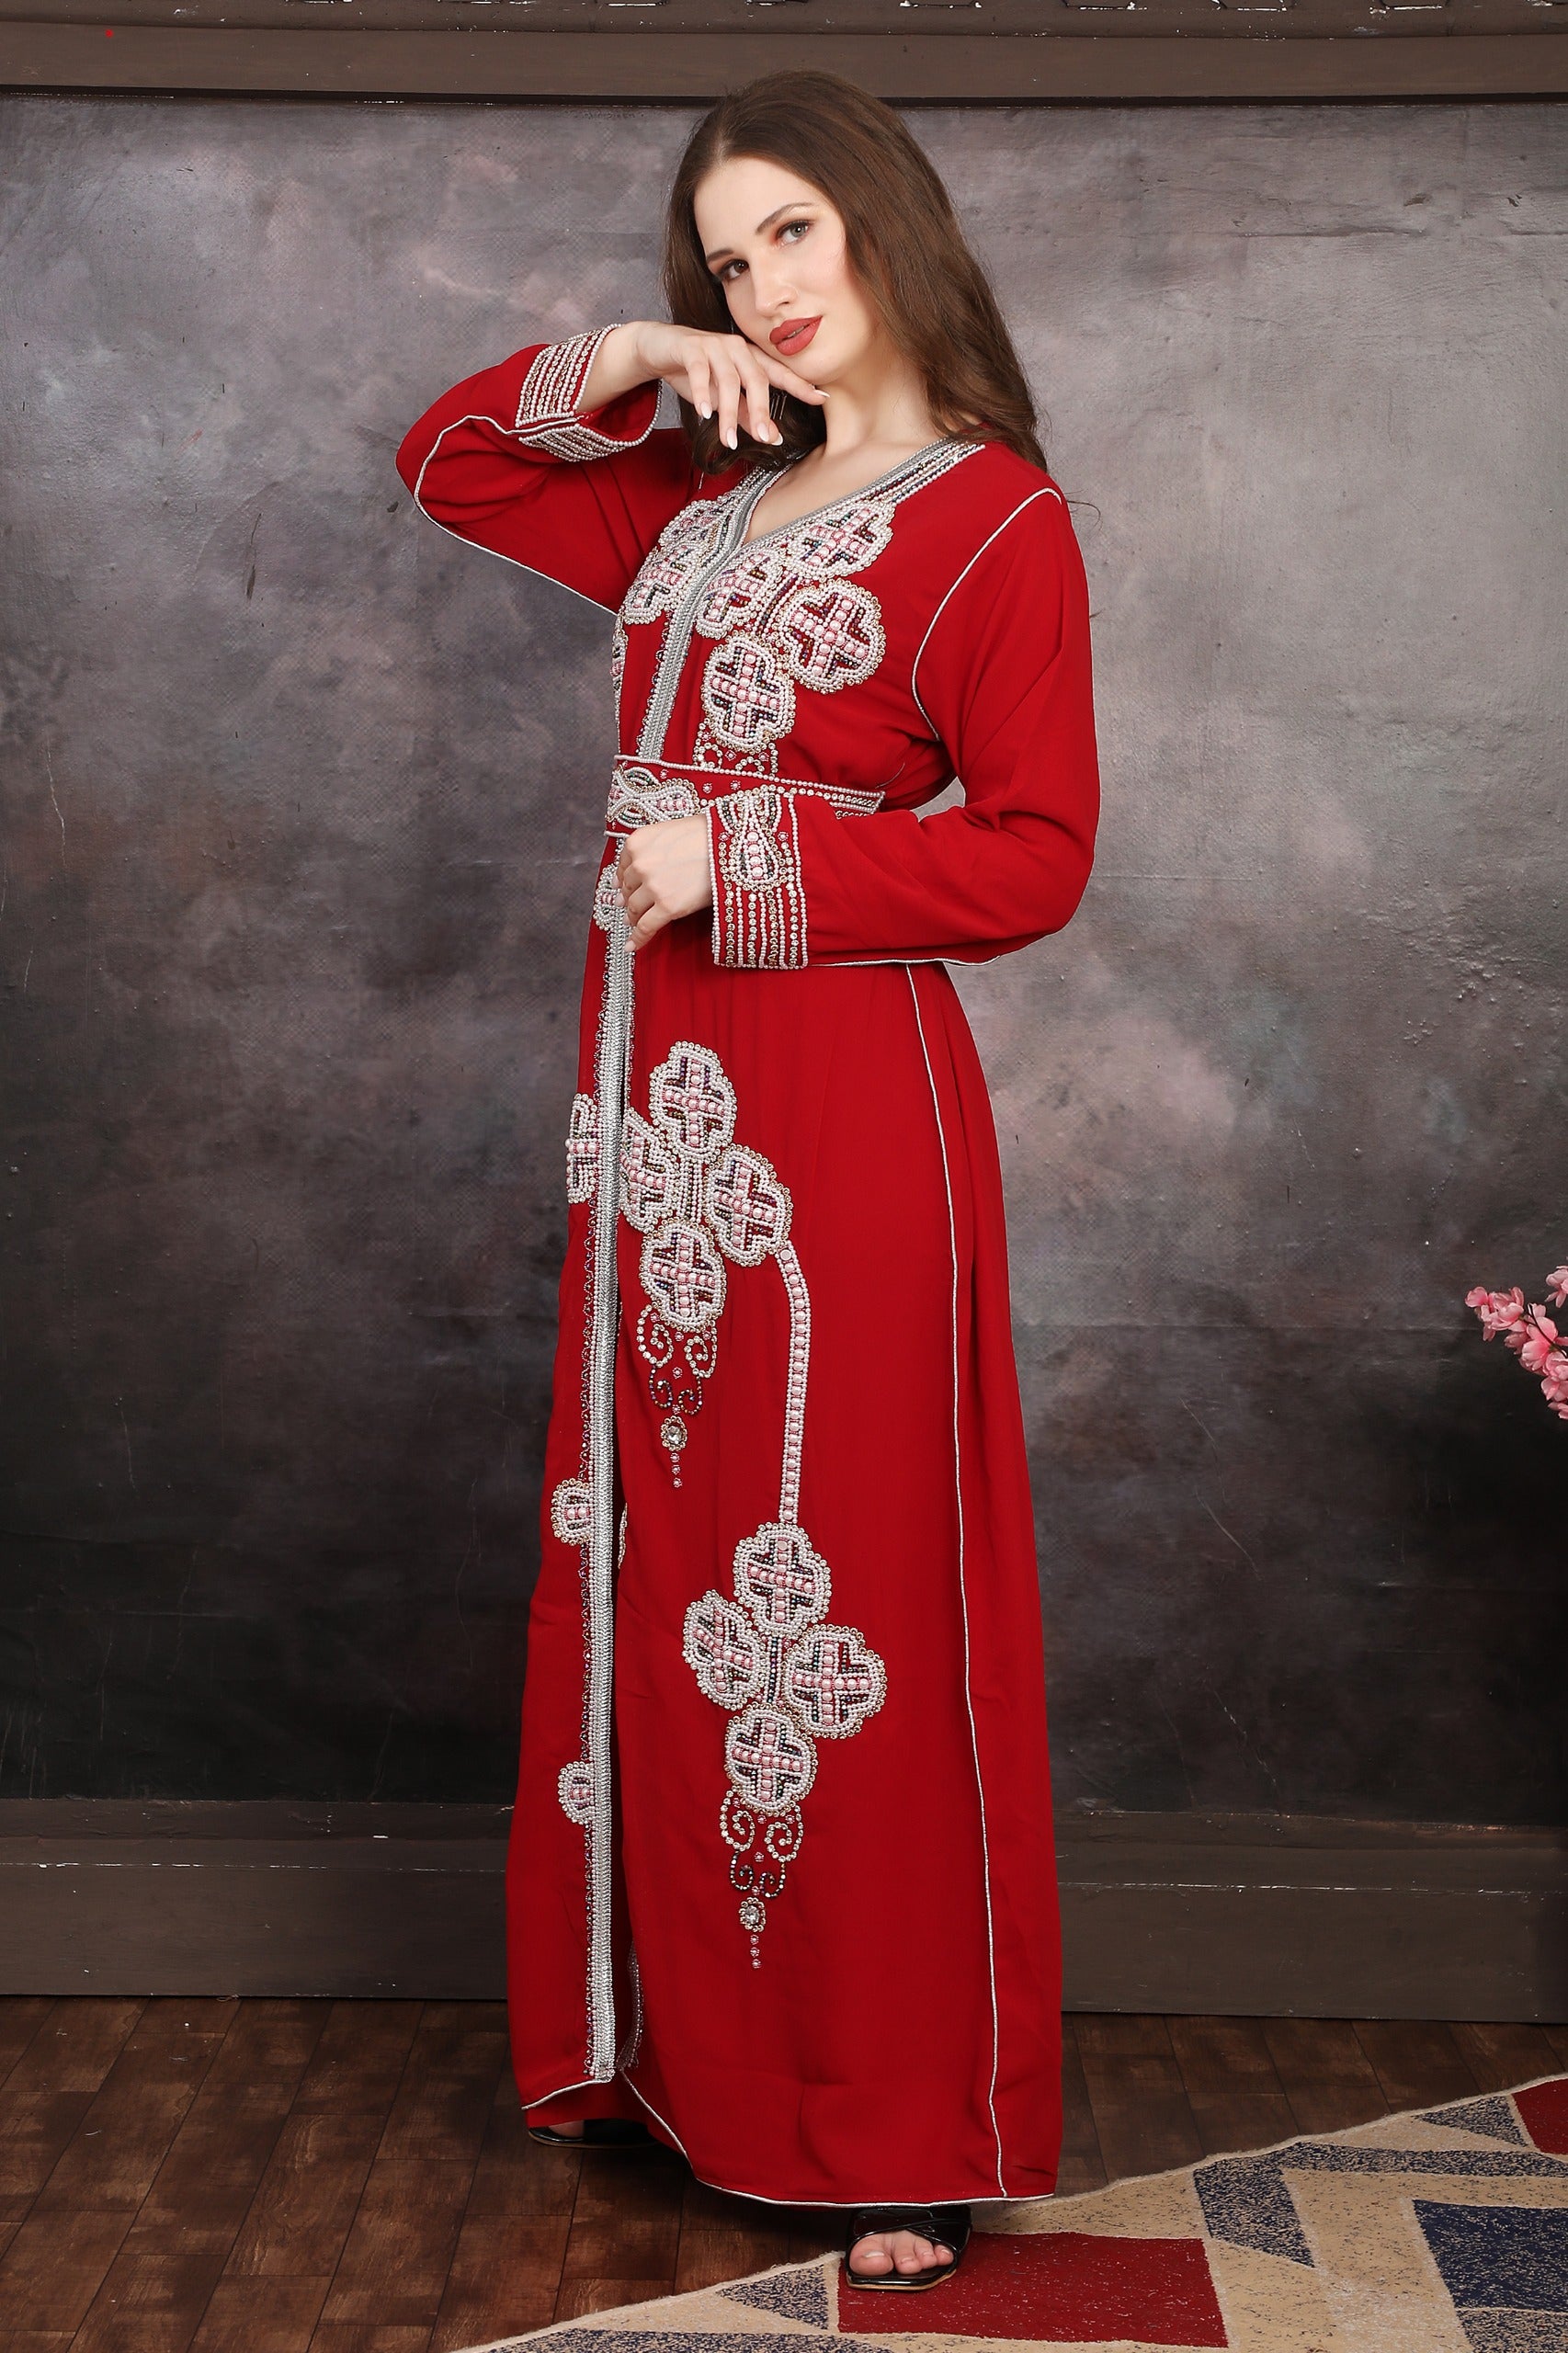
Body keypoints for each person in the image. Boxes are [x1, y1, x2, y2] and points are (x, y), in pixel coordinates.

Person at [396, 69, 1100, 2293]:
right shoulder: (696, 505)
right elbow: (449, 461)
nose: (766, 287)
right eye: (725, 258)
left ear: (886, 220)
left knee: (844, 1606)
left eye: (793, 230)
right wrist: (626, 356)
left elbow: (1036, 851)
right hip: (654, 1134)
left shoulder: (994, 523)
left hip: (845, 1125)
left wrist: (747, 853)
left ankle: (893, 2122)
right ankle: (690, 2064)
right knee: (677, 1589)